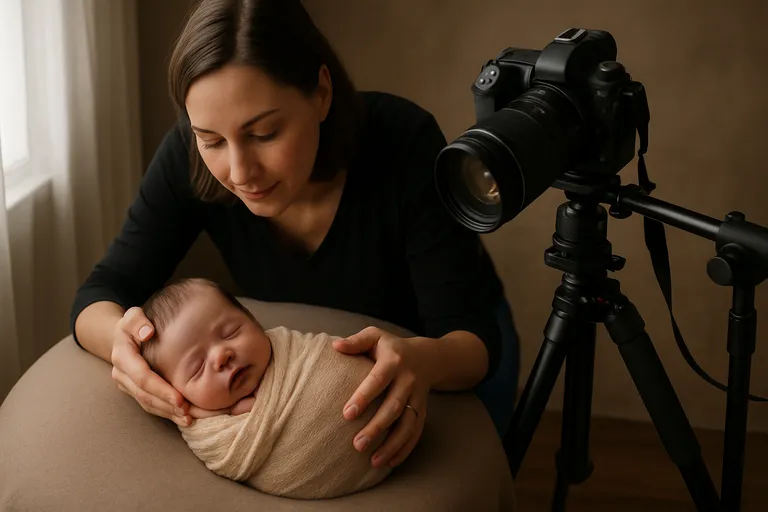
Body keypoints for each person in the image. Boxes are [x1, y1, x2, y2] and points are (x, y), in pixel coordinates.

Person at [70, 0, 520, 470]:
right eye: (212, 141)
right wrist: (123, 347)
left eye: (264, 133)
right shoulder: (185, 156)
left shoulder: (404, 142)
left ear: (321, 93)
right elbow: (101, 292)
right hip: (310, 382)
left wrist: (419, 361)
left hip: (442, 357)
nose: (240, 171)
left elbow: (472, 345)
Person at [138, 277, 394, 499]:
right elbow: (214, 444)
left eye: (230, 332)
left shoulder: (290, 348)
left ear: (254, 322)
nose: (221, 356)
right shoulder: (204, 424)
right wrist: (210, 414)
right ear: (175, 392)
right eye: (198, 367)